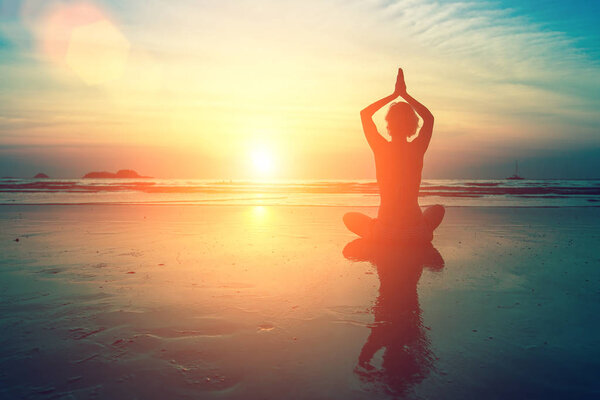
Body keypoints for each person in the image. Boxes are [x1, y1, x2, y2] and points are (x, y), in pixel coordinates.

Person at [343, 68, 444, 242]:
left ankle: (374, 229)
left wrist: (394, 94)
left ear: (388, 123)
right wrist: (404, 94)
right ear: (413, 125)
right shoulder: (417, 148)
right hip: (417, 232)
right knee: (438, 209)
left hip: (384, 233)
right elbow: (429, 118)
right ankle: (419, 230)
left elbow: (365, 114)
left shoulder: (380, 147)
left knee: (349, 217)